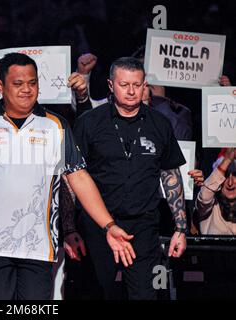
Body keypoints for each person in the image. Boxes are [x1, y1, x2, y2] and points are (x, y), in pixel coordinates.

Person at [0, 52, 136, 300]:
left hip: (38, 248)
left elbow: (79, 178)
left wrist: (108, 225)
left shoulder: (56, 125)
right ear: (0, 86)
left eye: (32, 83)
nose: (27, 89)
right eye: (18, 83)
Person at [69, 57, 188, 300]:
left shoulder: (160, 124)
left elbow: (171, 176)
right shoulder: (89, 122)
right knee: (93, 293)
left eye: (137, 84)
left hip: (143, 227)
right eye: (124, 85)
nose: (132, 91)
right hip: (96, 226)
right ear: (111, 85)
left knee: (145, 295)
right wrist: (69, 228)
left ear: (145, 85)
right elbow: (71, 179)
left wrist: (181, 227)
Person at [188, 148, 236, 235]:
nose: (230, 183)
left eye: (235, 175)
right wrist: (227, 160)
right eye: (225, 175)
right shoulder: (211, 206)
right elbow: (204, 196)